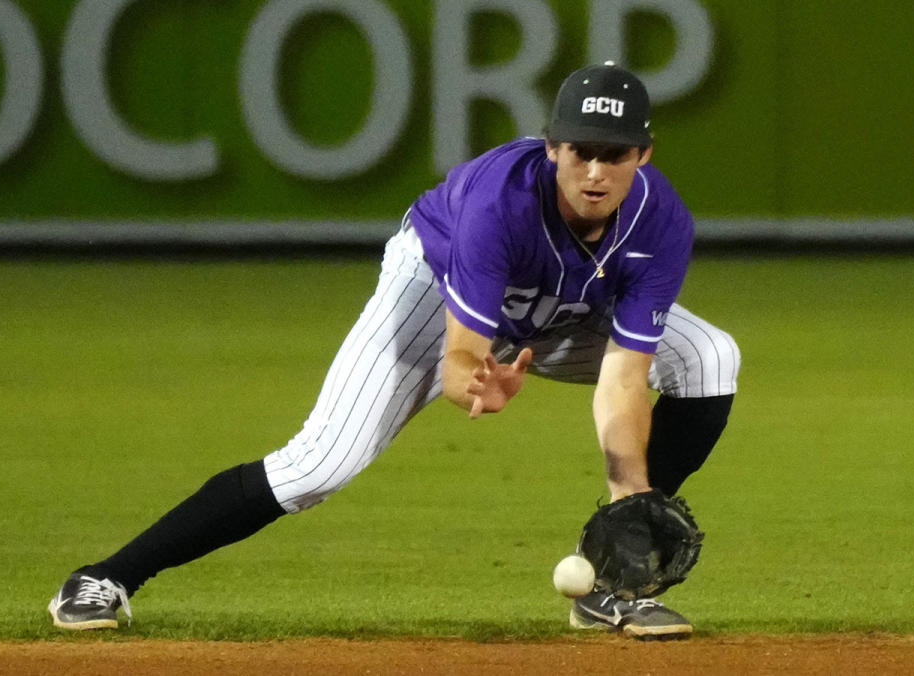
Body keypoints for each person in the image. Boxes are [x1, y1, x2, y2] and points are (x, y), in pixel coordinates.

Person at [47, 62, 739, 640]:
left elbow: (624, 378)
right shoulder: (499, 203)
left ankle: (613, 581)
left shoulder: (661, 220)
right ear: (551, 145)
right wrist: (473, 382)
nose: (594, 169)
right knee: (317, 465)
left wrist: (630, 500)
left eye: (613, 153)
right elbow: (462, 354)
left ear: (643, 155)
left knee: (708, 357)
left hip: (562, 311)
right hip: (435, 290)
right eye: (579, 149)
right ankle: (105, 577)